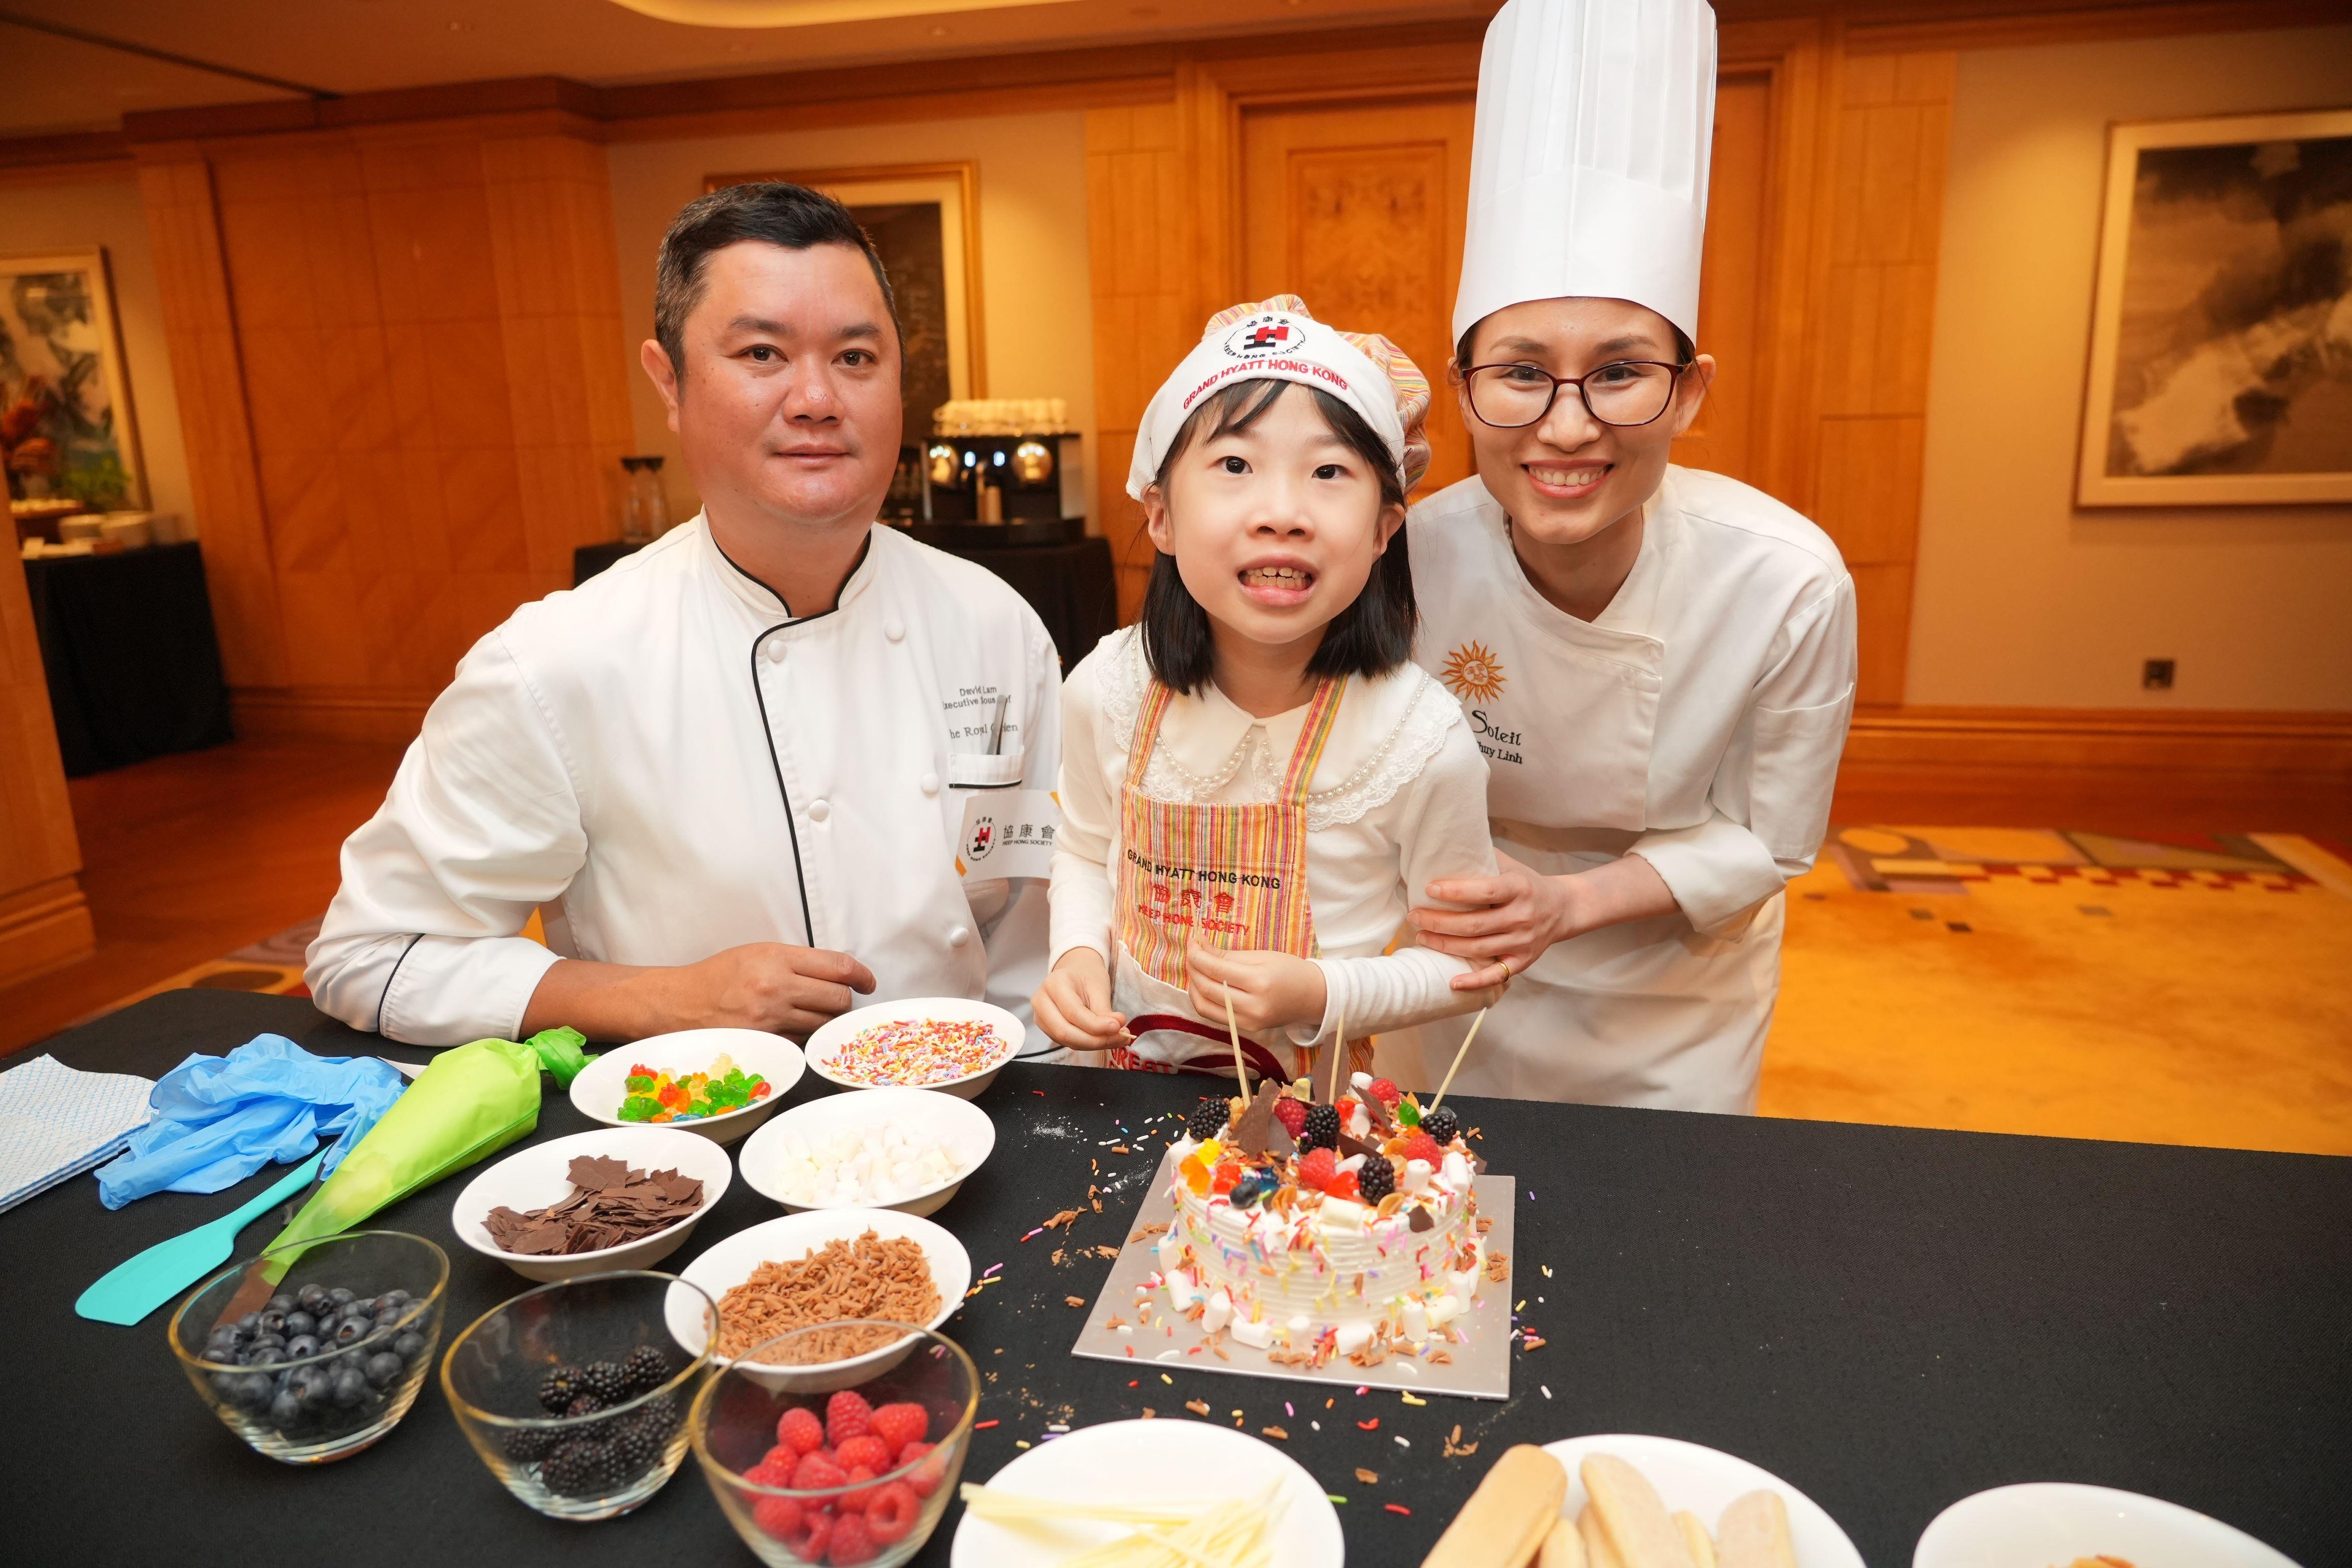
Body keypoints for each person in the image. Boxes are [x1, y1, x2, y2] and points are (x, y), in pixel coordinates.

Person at [306, 183, 1062, 1047]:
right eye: (762, 354)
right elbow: (369, 954)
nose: (817, 398)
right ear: (669, 382)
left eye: (856, 357)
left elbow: (1034, 944)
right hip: (698, 1116)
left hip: (971, 1107)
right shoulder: (557, 664)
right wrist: (664, 999)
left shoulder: (993, 625)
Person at [1399, 0, 1857, 1112]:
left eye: (1619, 372)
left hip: (1675, 994)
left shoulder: (1786, 581)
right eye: (1520, 373)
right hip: (1450, 966)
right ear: (1462, 388)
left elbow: (1771, 838)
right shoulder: (1405, 555)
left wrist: (1572, 901)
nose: (1566, 428)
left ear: (1689, 391)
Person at [1034, 297, 1499, 1080]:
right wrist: (1077, 953)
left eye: (1328, 472)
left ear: (1384, 530)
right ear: (1160, 516)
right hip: (1123, 1102)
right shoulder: (1106, 690)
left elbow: (1471, 968)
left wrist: (1320, 991)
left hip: (1316, 1125)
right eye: (1235, 466)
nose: (1282, 514)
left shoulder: (1422, 740)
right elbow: (1082, 847)